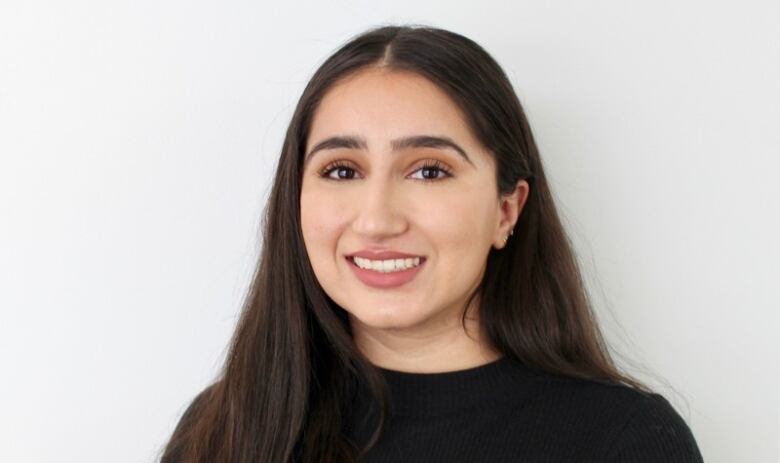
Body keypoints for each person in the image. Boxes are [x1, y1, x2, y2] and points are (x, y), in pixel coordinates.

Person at [158, 24, 704, 463]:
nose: (376, 220)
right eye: (342, 171)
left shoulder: (624, 441)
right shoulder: (225, 428)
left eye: (429, 171)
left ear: (506, 210)